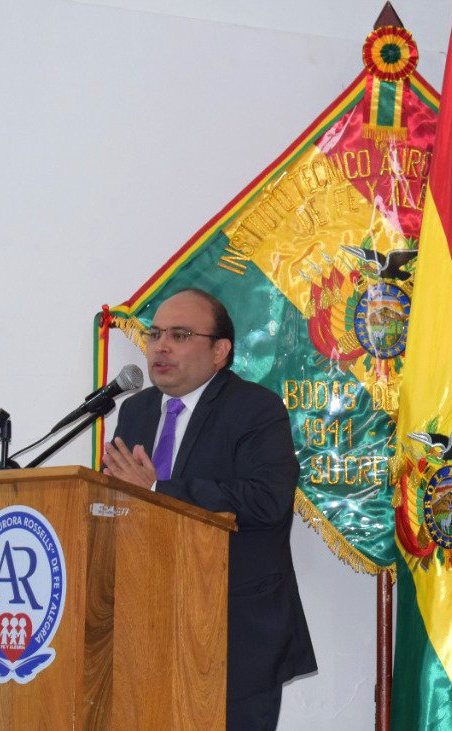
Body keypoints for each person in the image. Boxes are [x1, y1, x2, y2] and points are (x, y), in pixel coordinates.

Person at [102, 288, 316, 730]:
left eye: (179, 335)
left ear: (220, 351)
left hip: (235, 634)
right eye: (155, 334)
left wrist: (159, 488)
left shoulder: (256, 409)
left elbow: (267, 502)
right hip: (148, 626)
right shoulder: (136, 412)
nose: (160, 346)